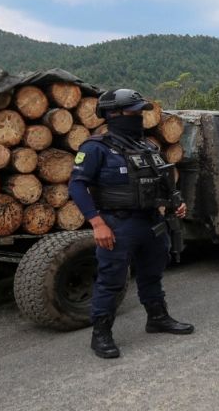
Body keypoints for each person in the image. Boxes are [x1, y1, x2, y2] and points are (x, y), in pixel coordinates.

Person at [68, 88, 193, 359]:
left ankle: (157, 318)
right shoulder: (95, 148)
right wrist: (97, 223)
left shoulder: (148, 147)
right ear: (112, 114)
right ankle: (101, 334)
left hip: (152, 222)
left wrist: (175, 203)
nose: (139, 117)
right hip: (117, 224)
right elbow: (77, 186)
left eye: (140, 112)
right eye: (132, 112)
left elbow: (163, 181)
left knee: (152, 274)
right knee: (111, 281)